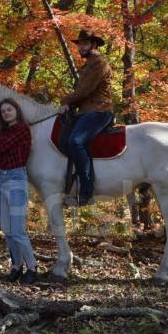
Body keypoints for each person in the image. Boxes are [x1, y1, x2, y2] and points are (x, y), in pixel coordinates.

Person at [0, 98, 38, 285]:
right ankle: (16, 266)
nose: (5, 113)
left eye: (9, 110)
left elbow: (1, 145)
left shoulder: (21, 129)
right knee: (7, 230)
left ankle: (32, 268)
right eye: (2, 111)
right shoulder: (3, 132)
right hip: (1, 179)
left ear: (16, 111)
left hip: (16, 179)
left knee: (18, 230)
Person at [59, 29, 113, 206]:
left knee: (76, 141)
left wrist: (66, 101)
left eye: (84, 44)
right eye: (80, 44)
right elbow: (81, 93)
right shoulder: (89, 64)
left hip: (99, 110)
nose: (80, 47)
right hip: (85, 112)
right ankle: (68, 186)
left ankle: (87, 192)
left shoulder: (99, 63)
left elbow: (85, 91)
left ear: (94, 44)